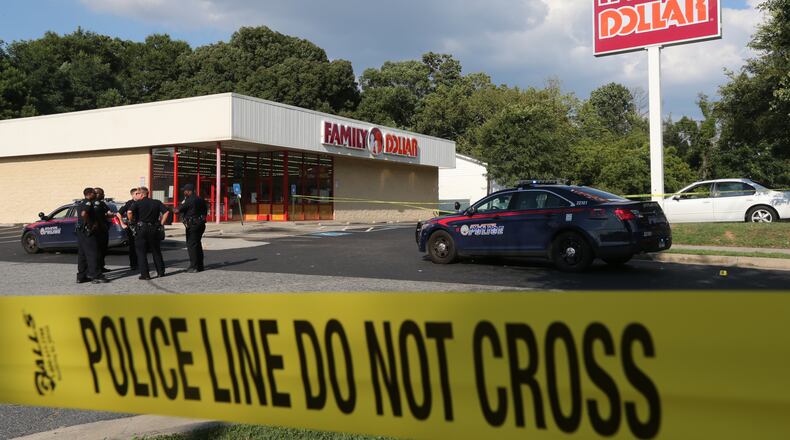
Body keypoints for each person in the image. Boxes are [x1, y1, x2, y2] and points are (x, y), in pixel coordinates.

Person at [127, 186, 170, 280]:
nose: (136, 195)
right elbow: (166, 212)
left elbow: (129, 212)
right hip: (154, 228)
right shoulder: (156, 202)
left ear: (142, 194)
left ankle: (145, 275)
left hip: (141, 228)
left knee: (141, 252)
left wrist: (131, 222)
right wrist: (161, 224)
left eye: (138, 193)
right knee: (156, 251)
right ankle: (161, 272)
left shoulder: (137, 203)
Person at [76, 187, 108, 284]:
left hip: (81, 232)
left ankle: (81, 276)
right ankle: (96, 276)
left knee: (82, 255)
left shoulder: (81, 203)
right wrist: (89, 224)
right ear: (89, 194)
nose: (95, 194)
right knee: (93, 254)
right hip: (88, 232)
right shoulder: (88, 203)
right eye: (94, 193)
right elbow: (84, 213)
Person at [177, 183, 208, 272]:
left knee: (191, 245)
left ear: (189, 191)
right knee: (197, 244)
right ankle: (200, 266)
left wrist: (173, 208)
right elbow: (205, 211)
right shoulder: (200, 199)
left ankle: (194, 266)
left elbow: (178, 210)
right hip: (201, 224)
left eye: (185, 191)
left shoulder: (189, 200)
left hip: (192, 225)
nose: (184, 192)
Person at [116, 188, 141, 270]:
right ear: (133, 195)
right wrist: (122, 223)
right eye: (137, 193)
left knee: (141, 246)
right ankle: (134, 264)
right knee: (133, 246)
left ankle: (141, 263)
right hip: (132, 227)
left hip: (142, 226)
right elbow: (118, 214)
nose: (139, 194)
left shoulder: (141, 202)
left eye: (139, 193)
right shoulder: (129, 203)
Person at [93, 187, 112, 272]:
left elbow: (109, 212)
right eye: (101, 193)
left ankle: (101, 266)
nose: (103, 195)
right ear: (96, 194)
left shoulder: (103, 204)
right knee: (96, 251)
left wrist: (109, 214)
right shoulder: (91, 203)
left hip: (104, 229)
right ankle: (96, 269)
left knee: (103, 249)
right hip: (96, 230)